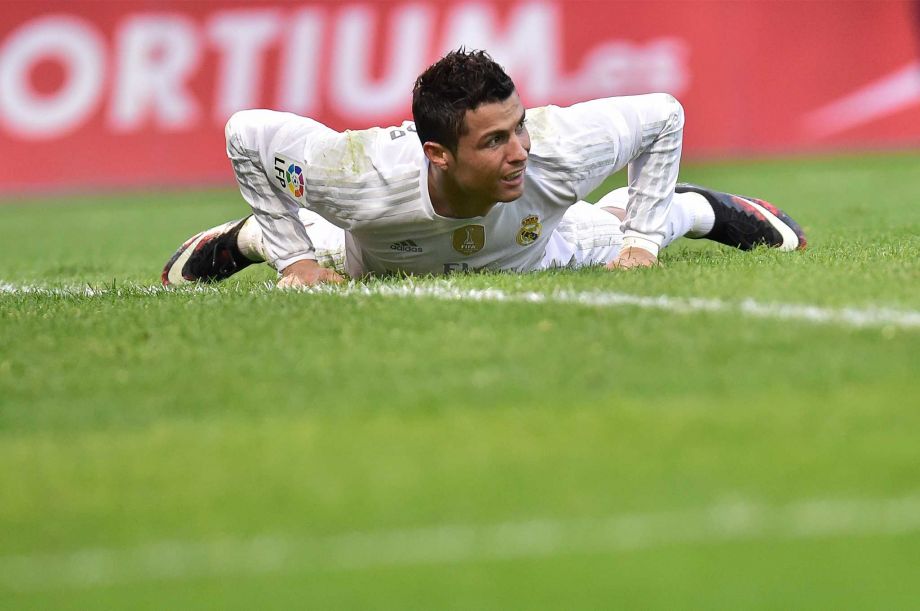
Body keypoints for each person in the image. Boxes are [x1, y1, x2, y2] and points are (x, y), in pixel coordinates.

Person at [161, 49, 805, 288]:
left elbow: (664, 114)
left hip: (540, 247)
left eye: (518, 125)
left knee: (626, 227)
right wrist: (292, 259)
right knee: (317, 244)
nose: (518, 148)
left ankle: (693, 209)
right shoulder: (352, 175)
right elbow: (245, 133)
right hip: (375, 254)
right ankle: (247, 238)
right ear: (437, 153)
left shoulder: (555, 149)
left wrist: (639, 244)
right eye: (494, 140)